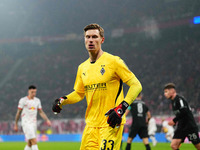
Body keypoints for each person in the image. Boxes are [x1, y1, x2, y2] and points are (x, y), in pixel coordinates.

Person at [52, 23, 142, 150]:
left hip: (110, 123)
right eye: (87, 37)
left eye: (94, 37)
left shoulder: (114, 61)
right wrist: (62, 100)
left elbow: (136, 85)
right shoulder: (82, 67)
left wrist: (121, 109)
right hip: (91, 126)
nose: (90, 40)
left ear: (102, 40)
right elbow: (79, 93)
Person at [163, 83, 200, 150]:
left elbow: (184, 111)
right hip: (181, 126)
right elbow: (180, 114)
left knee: (198, 146)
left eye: (166, 91)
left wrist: (174, 120)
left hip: (189, 126)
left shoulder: (179, 99)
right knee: (174, 146)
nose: (165, 94)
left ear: (172, 91)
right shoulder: (173, 101)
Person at [14, 85, 51, 150]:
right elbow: (18, 113)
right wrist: (16, 124)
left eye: (35, 92)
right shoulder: (23, 100)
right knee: (34, 141)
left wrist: (47, 120)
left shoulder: (37, 100)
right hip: (26, 123)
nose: (34, 94)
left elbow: (41, 112)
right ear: (28, 91)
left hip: (33, 123)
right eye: (32, 92)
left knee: (30, 143)